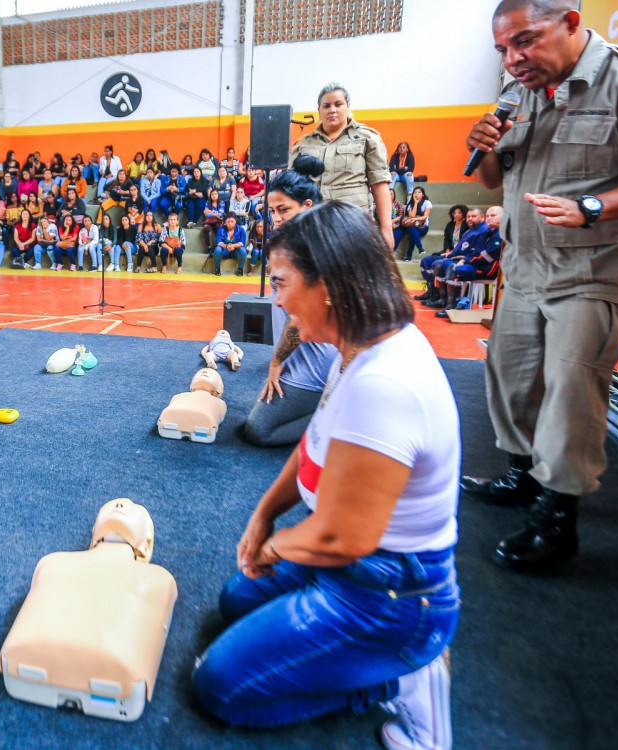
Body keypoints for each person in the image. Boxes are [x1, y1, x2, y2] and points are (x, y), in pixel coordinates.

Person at [193, 202, 460, 750]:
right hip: (350, 566)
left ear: (331, 285)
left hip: (388, 591)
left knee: (218, 686)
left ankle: (396, 677)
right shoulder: (357, 349)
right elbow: (314, 445)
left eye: (283, 282)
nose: (276, 299)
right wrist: (264, 514)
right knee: (236, 599)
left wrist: (274, 548)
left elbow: (343, 537)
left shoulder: (384, 383)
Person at [461, 0, 618, 572]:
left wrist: (593, 207)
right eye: (502, 49)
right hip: (526, 264)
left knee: (572, 384)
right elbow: (495, 176)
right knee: (511, 373)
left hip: (599, 265)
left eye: (524, 41)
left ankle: (557, 512)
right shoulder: (519, 93)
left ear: (570, 22)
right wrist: (486, 148)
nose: (513, 58)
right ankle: (522, 474)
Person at [244, 155, 338, 448]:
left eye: (284, 209)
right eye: (272, 211)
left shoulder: (309, 250)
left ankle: (336, 415)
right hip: (307, 354)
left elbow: (297, 319)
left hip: (313, 360)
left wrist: (276, 362)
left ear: (307, 206)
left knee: (258, 431)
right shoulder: (312, 239)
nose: (276, 217)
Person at [289, 83, 393, 250]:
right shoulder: (303, 144)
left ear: (348, 106)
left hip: (354, 228)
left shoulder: (367, 138)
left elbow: (379, 184)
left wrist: (386, 229)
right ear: (319, 110)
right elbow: (291, 190)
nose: (332, 110)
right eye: (326, 106)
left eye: (338, 104)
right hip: (314, 229)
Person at [394, 186, 433, 261]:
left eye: (419, 192)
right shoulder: (410, 203)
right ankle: (420, 248)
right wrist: (415, 203)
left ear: (423, 194)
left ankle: (409, 256)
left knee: (413, 233)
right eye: (415, 192)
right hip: (411, 225)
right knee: (412, 229)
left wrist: (416, 219)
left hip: (423, 227)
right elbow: (411, 215)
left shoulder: (427, 203)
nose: (416, 194)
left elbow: (425, 216)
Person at [212, 212, 247, 277]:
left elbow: (242, 243)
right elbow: (219, 242)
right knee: (217, 249)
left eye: (232, 221)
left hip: (236, 251)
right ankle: (217, 269)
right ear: (225, 222)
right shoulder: (221, 229)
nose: (230, 224)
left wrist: (233, 246)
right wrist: (227, 246)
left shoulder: (241, 229)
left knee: (243, 250)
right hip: (225, 251)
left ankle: (240, 269)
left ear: (235, 221)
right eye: (228, 222)